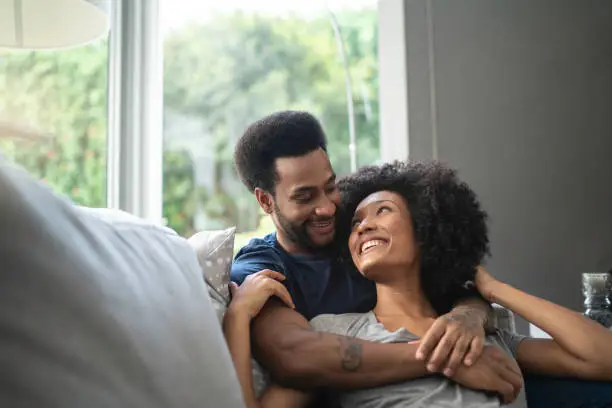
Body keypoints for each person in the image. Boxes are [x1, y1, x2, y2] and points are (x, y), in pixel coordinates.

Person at [226, 160, 612, 408]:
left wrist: (493, 291)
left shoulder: (483, 336)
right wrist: (237, 318)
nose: (363, 225)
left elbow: (603, 358)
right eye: (356, 221)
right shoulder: (334, 332)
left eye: (383, 211)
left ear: (427, 230)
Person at [228, 111, 518, 406]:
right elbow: (295, 355)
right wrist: (446, 359)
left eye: (330, 187)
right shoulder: (259, 267)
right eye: (304, 197)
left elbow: (459, 287)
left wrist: (466, 317)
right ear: (265, 200)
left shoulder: (360, 233)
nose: (327, 208)